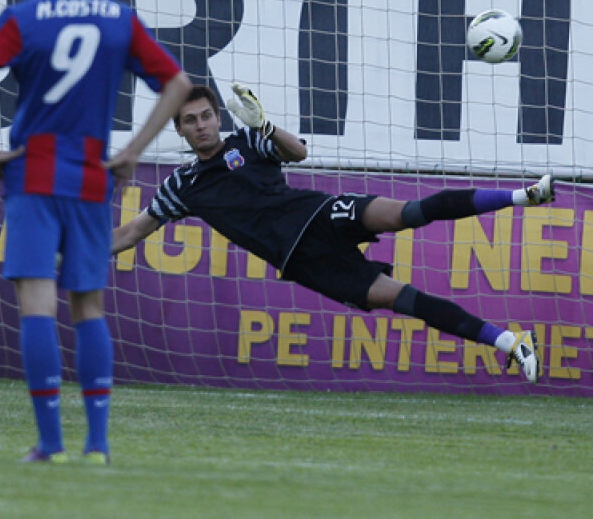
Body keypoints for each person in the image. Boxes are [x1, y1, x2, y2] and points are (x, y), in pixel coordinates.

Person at [112, 82, 551, 383]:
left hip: (318, 214)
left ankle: (521, 195)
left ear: (215, 117)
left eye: (206, 116)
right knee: (406, 300)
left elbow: (298, 152)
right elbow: (132, 232)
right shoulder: (182, 185)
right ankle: (511, 341)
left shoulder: (246, 143)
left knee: (411, 212)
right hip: (304, 262)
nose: (202, 125)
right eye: (191, 121)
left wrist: (265, 125)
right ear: (180, 129)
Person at [0, 0, 193, 464]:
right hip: (91, 176)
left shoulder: (22, 18)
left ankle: (51, 444)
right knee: (88, 305)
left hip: (33, 173)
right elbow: (178, 83)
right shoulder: (118, 18)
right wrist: (132, 152)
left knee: (36, 303)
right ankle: (99, 446)